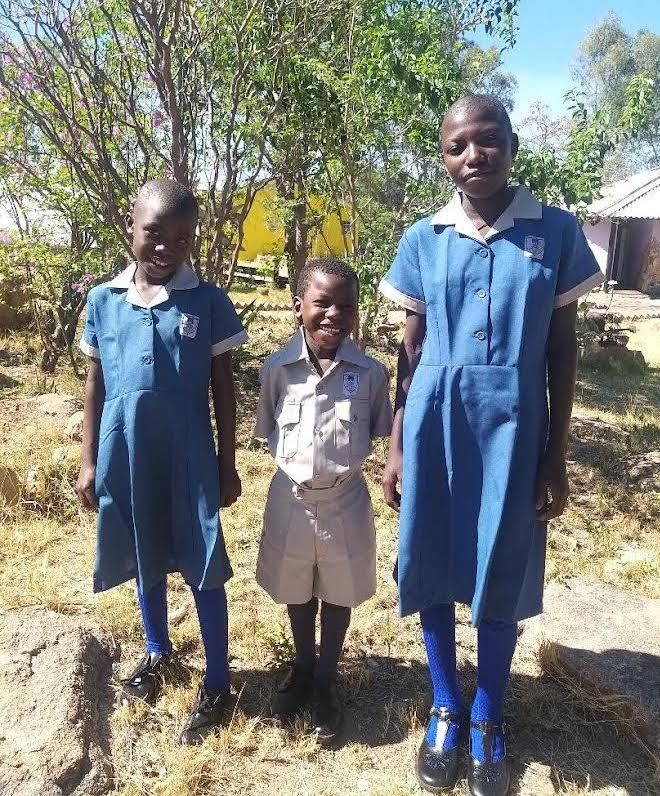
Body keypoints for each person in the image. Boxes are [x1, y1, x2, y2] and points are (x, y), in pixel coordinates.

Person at [379, 95, 602, 796]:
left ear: (512, 143)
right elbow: (409, 354)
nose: (473, 156)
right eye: (456, 146)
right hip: (435, 424)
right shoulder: (424, 237)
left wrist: (554, 454)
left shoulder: (556, 233)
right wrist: (396, 446)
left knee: (499, 568)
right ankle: (445, 704)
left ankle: (488, 715)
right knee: (436, 559)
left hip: (514, 428)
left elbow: (561, 351)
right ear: (442, 156)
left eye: (488, 140)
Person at [76, 179, 247, 745]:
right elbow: (95, 386)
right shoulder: (103, 301)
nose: (165, 246)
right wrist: (87, 460)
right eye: (153, 232)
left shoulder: (207, 301)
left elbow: (223, 389)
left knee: (200, 555)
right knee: (144, 546)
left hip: (189, 452)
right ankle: (158, 650)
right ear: (131, 226)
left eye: (181, 237)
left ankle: (218, 680)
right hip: (125, 451)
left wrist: (226, 461)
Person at [255, 257, 393, 747]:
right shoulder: (276, 370)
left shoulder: (371, 374)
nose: (334, 314)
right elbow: (267, 428)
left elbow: (381, 430)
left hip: (346, 499)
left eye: (346, 306)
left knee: (338, 592)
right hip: (290, 498)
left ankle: (326, 678)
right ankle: (302, 666)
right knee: (297, 588)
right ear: (298, 308)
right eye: (322, 303)